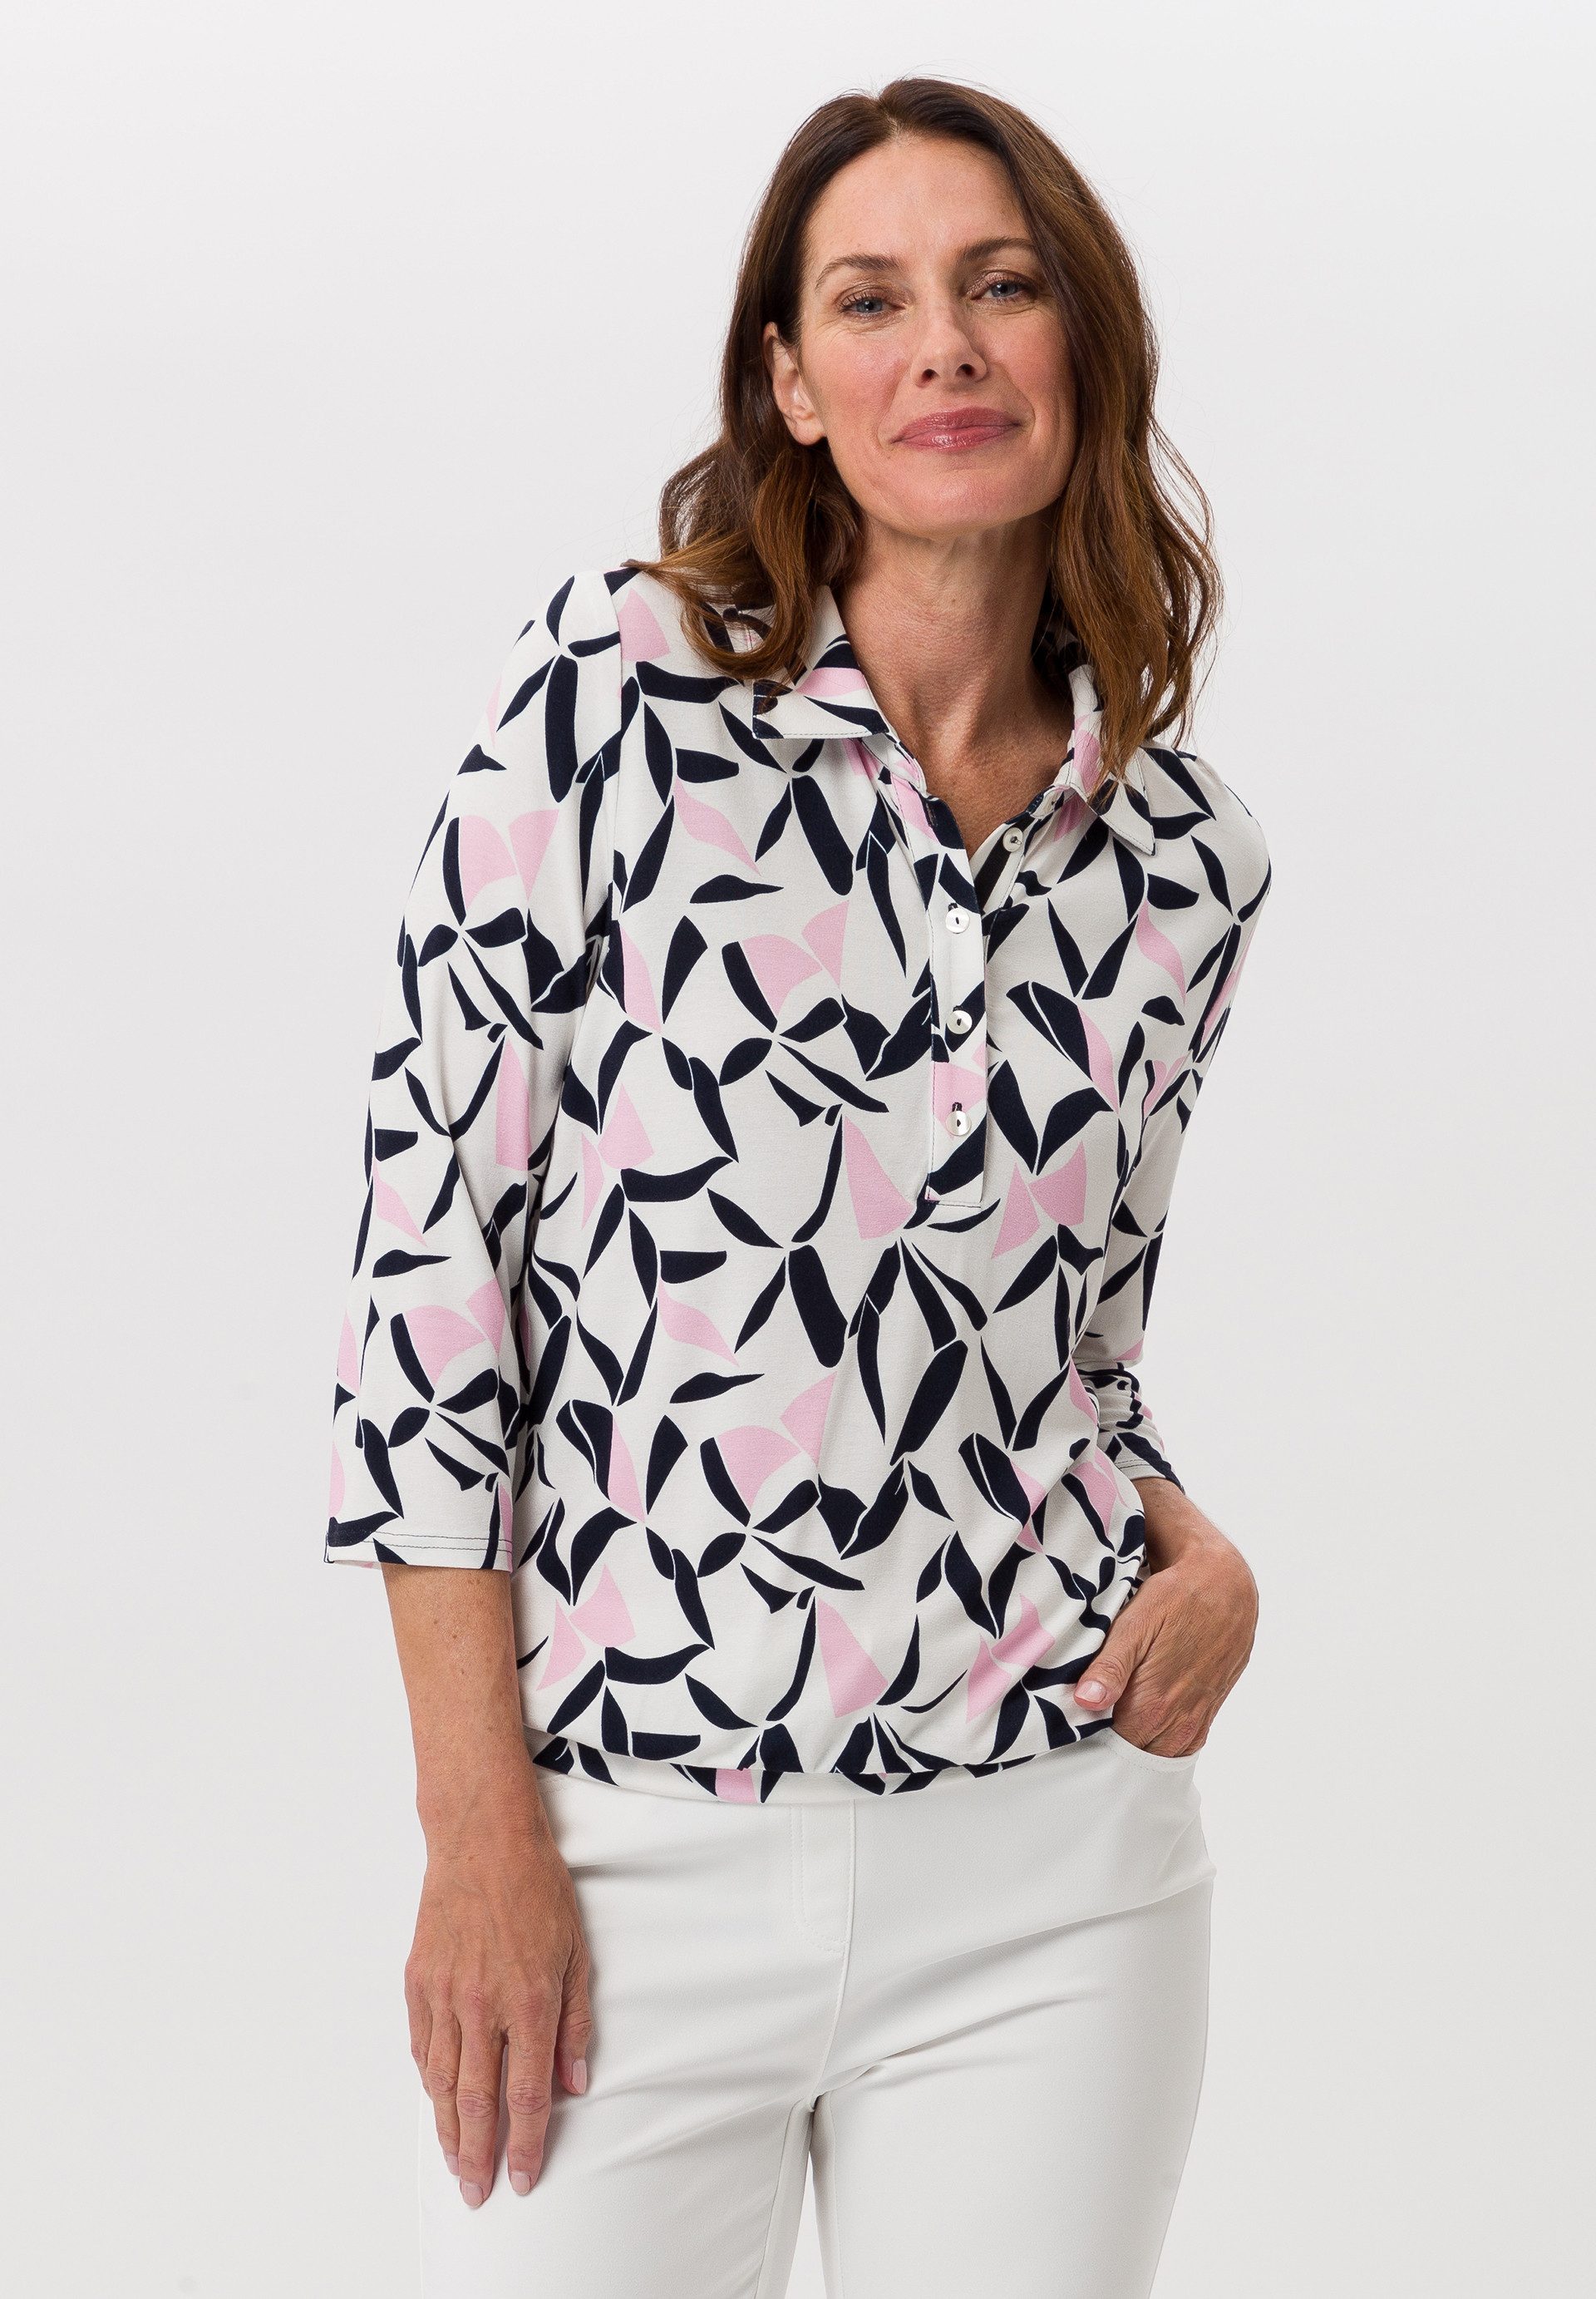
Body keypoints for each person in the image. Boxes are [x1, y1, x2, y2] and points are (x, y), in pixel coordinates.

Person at [325, 73, 1273, 2299]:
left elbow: (1058, 1351)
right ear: (790, 381)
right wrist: (480, 1830)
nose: (943, 346)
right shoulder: (612, 703)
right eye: (871, 300)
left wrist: (1199, 1549)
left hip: (1055, 1870)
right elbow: (430, 1282)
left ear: (1081, 345)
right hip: (626, 1846)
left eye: (1000, 286)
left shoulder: (1185, 865)